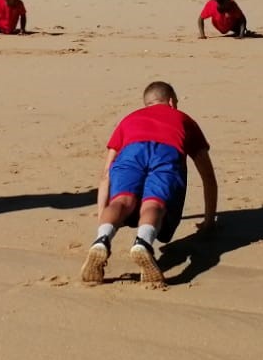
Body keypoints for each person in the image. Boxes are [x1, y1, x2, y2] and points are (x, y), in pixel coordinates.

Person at [80, 81, 219, 290]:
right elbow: (207, 176)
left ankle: (101, 240)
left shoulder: (129, 119)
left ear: (147, 103)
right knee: (155, 203)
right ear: (171, 101)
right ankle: (143, 243)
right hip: (166, 152)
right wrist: (209, 222)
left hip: (131, 152)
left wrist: (102, 220)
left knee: (122, 200)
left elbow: (105, 175)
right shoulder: (183, 119)